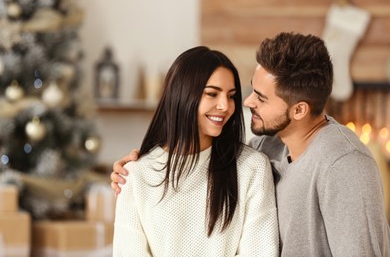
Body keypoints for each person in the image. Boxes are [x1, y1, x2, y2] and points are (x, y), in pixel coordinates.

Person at [111, 33, 390, 256]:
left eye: (261, 97)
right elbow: (206, 162)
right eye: (250, 90)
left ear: (299, 110)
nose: (245, 102)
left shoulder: (345, 164)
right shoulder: (267, 147)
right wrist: (136, 170)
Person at [112, 46, 279, 256]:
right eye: (212, 94)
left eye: (231, 96)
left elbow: (260, 251)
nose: (225, 106)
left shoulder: (251, 167)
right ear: (182, 94)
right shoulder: (135, 175)